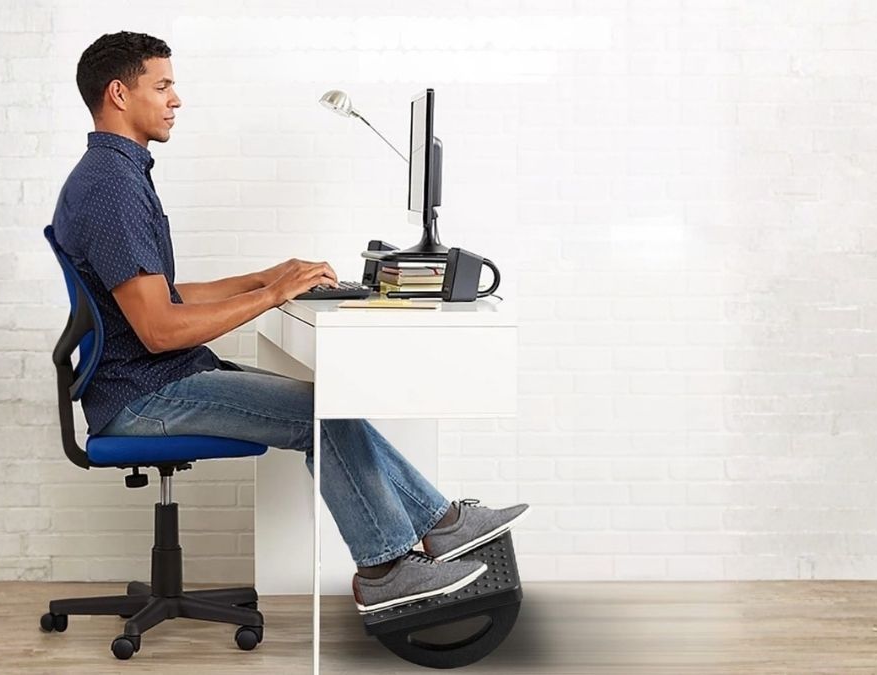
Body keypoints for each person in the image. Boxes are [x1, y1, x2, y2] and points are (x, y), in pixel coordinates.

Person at [50, 31, 529, 613]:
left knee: (329, 404)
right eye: (163, 85)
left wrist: (264, 278)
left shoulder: (115, 175)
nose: (176, 99)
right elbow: (160, 329)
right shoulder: (112, 187)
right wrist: (275, 294)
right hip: (142, 393)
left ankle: (441, 525)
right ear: (119, 94)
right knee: (321, 412)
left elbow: (161, 295)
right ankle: (387, 569)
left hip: (148, 380)